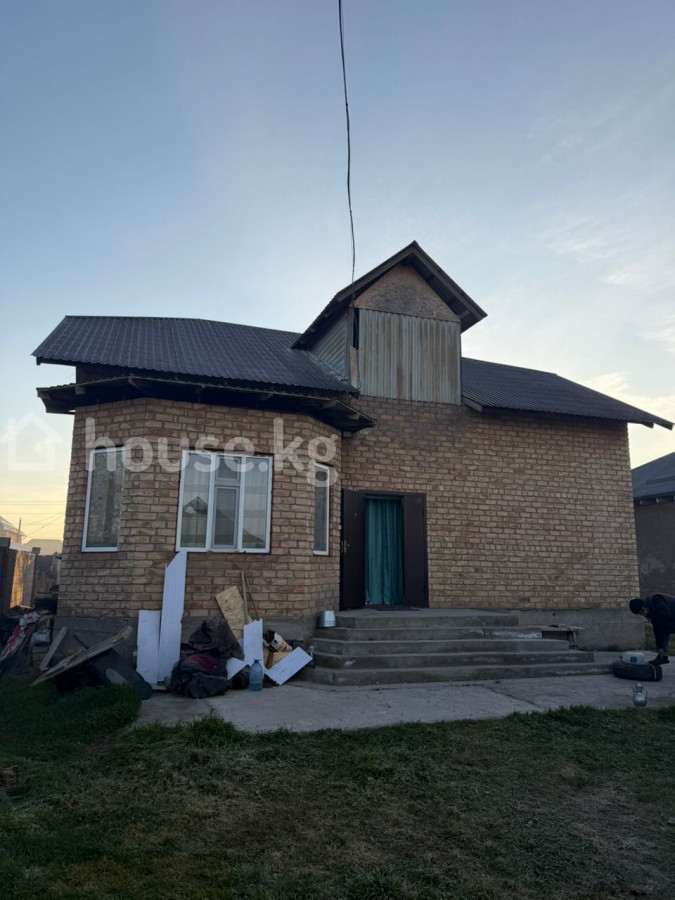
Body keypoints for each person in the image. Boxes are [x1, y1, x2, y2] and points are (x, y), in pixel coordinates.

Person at [629, 594, 675, 665]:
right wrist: (660, 648)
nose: (641, 615)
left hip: (671, 615)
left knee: (662, 628)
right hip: (671, 618)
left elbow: (666, 614)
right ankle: (662, 656)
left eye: (640, 613)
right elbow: (657, 629)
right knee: (660, 630)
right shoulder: (650, 610)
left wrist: (651, 615)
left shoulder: (656, 599)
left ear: (642, 608)